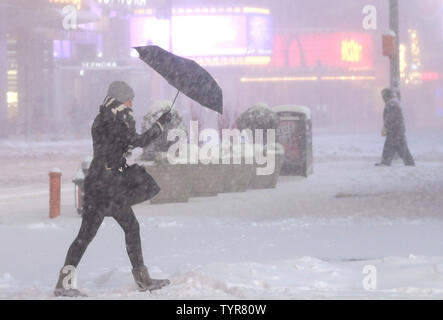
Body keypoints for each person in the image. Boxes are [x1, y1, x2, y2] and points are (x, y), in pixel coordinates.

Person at [54, 81, 172, 297]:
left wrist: (122, 145)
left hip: (103, 184)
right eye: (129, 99)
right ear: (119, 99)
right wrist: (160, 125)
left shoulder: (107, 118)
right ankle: (141, 279)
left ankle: (65, 282)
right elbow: (137, 141)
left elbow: (117, 144)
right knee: (94, 234)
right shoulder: (113, 120)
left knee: (102, 233)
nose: (131, 103)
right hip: (105, 187)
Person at [375, 88, 415, 167]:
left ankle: (386, 162)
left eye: (383, 96)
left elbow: (390, 117)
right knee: (399, 148)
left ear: (386, 96)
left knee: (394, 147)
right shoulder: (394, 102)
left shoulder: (391, 103)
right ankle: (409, 163)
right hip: (397, 130)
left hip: (395, 130)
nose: (382, 98)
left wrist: (386, 127)